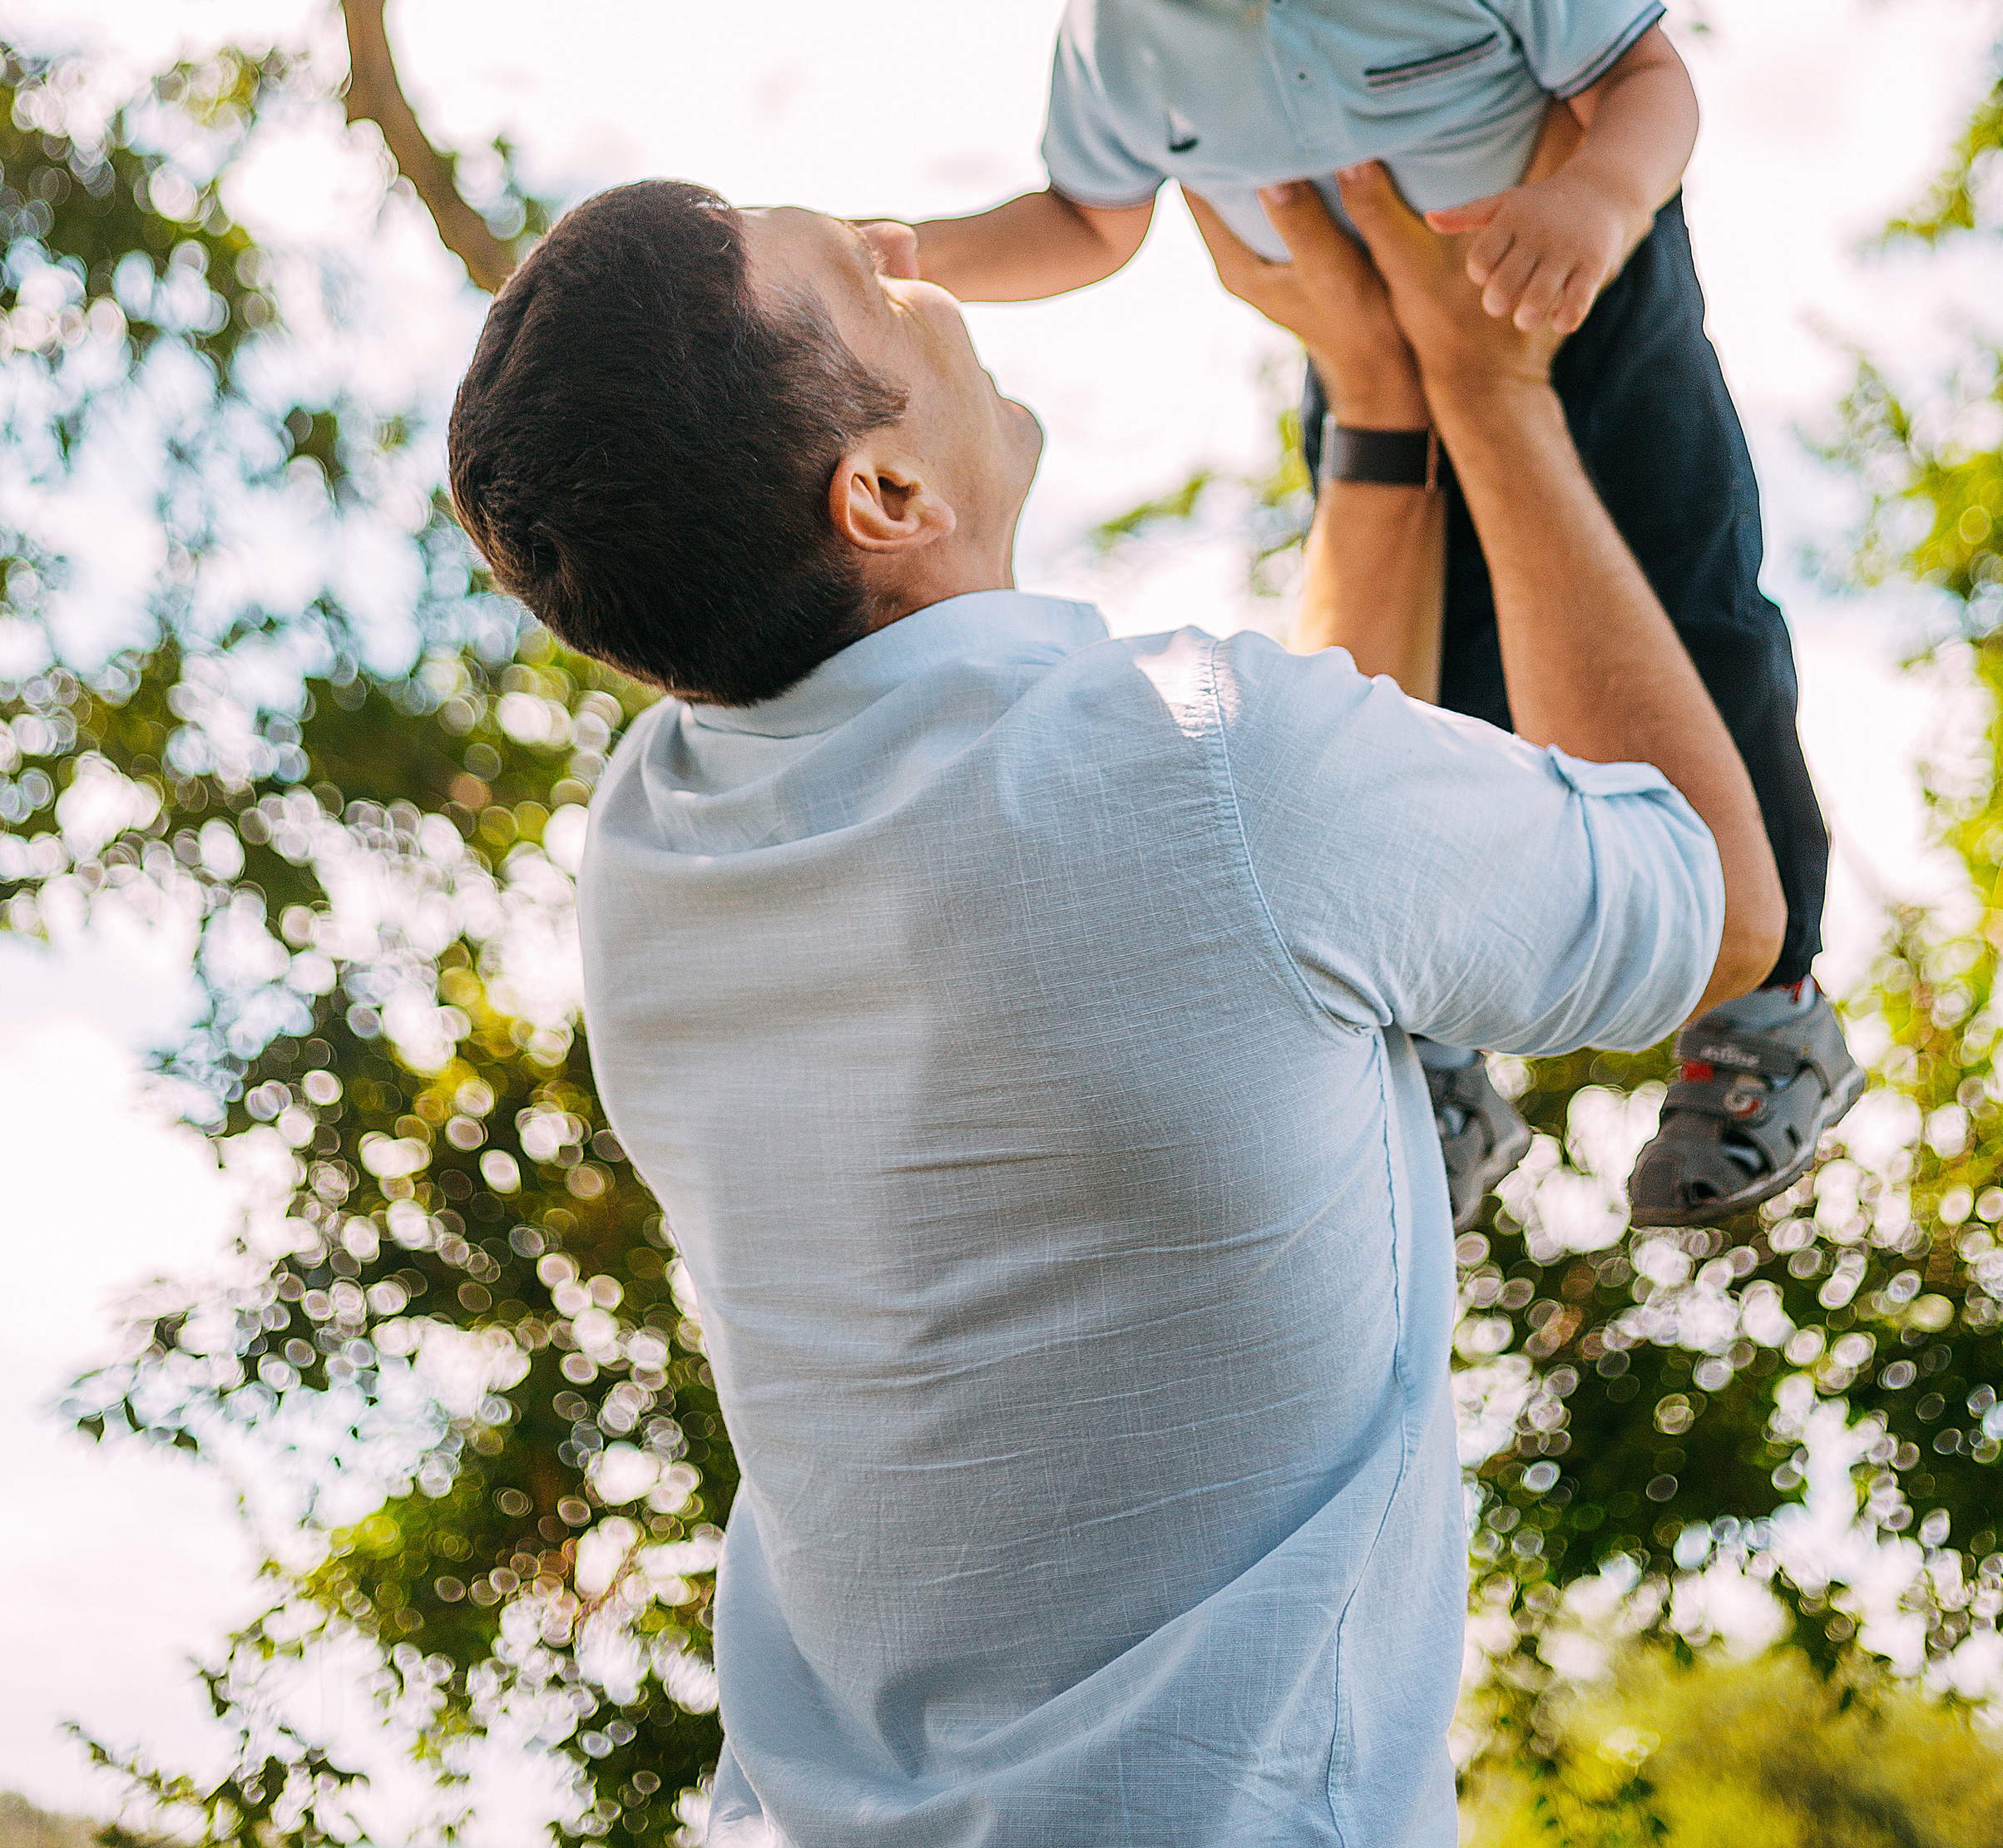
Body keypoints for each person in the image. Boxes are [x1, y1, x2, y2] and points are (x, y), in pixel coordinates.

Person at [448, 159, 1782, 1848]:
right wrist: (1486, 385)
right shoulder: (1216, 778)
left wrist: (1375, 414)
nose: (903, 250)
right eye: (857, 277)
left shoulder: (654, 852)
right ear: (883, 494)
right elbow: (1718, 912)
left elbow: (1273, 901)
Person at [897, 0, 1860, 1231]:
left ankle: (1768, 1019)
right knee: (1421, 710)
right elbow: (1085, 222)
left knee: (1694, 621)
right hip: (1372, 376)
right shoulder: (1120, 33)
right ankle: (1436, 1053)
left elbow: (1644, 78)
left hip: (1594, 319)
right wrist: (910, 254)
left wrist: (1597, 196)